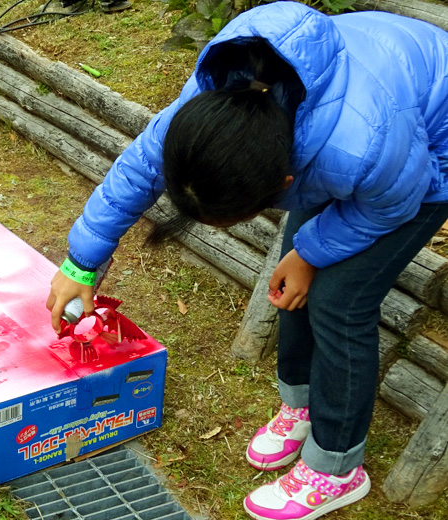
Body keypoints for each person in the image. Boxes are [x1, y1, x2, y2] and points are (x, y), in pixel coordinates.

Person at [45, 1, 448, 519]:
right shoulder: (216, 97)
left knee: (339, 302)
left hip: (426, 160)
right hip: (364, 104)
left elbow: (396, 199)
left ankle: (337, 467)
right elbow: (143, 163)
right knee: (293, 281)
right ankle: (301, 403)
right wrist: (80, 264)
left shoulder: (359, 151)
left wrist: (310, 252)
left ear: (284, 185)